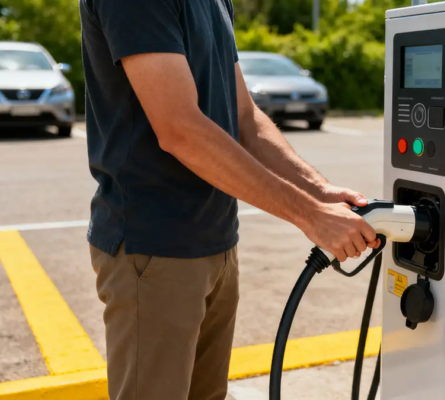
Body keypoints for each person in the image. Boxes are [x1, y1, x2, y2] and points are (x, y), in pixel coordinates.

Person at [79, 0, 379, 399]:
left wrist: (319, 191)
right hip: (153, 249)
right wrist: (311, 216)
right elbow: (179, 127)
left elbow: (244, 116)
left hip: (216, 244)